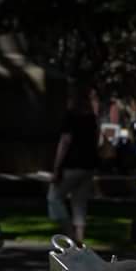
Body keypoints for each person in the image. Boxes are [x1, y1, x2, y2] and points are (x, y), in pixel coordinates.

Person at [48, 84, 101, 243]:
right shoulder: (91, 118)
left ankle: (70, 235)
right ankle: (79, 238)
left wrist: (56, 168)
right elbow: (95, 140)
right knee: (79, 202)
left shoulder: (70, 117)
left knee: (54, 197)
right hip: (88, 166)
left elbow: (65, 142)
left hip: (71, 165)